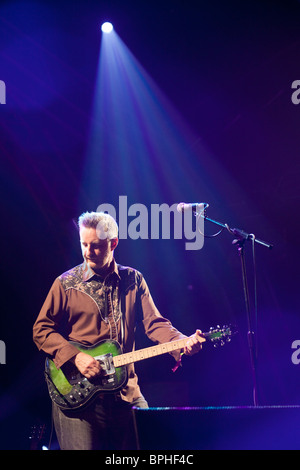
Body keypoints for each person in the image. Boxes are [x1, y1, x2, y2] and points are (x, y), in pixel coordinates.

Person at [33, 211, 203, 450]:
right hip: (78, 396)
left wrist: (182, 342)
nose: (88, 252)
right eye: (84, 244)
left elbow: (154, 323)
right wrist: (76, 357)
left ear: (113, 243)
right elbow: (41, 330)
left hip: (127, 393)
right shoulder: (65, 283)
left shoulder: (133, 279)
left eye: (95, 246)